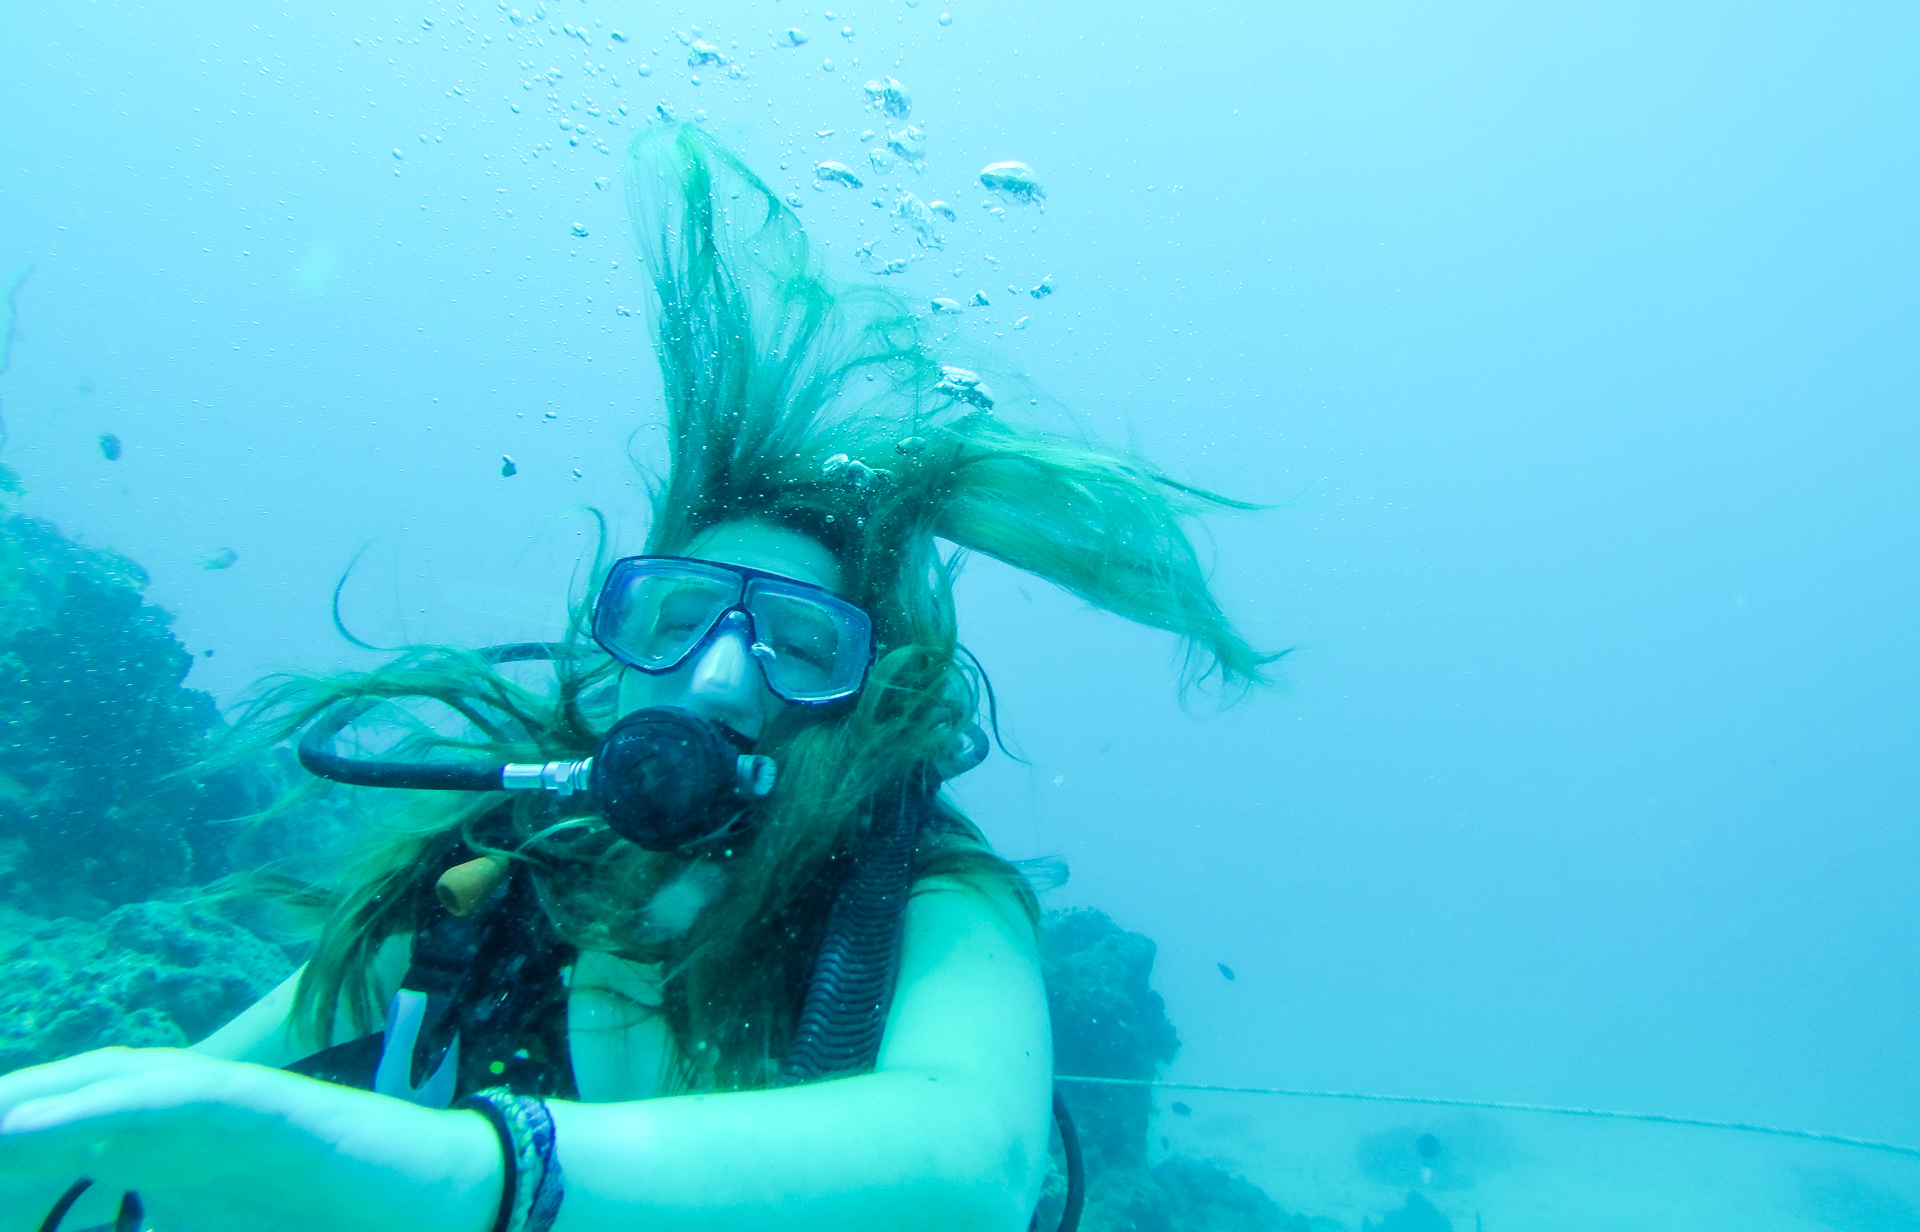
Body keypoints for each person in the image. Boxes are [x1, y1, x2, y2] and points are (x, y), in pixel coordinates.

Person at [0, 123, 1269, 1232]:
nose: (723, 679)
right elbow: (200, 1103)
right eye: (677, 616)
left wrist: (477, 1178)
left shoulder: (924, 892)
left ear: (866, 697)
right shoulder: (496, 876)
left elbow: (969, 1166)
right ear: (609, 653)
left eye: (801, 643)